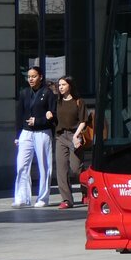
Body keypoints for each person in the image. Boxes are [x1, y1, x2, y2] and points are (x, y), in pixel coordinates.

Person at [13, 66, 55, 208]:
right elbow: (19, 115)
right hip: (26, 132)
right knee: (21, 165)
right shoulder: (24, 93)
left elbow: (53, 116)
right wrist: (18, 135)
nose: (30, 79)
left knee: (44, 165)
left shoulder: (48, 93)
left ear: (40, 77)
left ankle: (43, 198)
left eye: (34, 76)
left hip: (42, 132)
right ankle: (22, 198)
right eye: (29, 76)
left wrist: (38, 121)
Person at [52, 75, 89, 210]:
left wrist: (77, 136)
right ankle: (67, 200)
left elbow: (83, 121)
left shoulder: (79, 101)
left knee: (76, 168)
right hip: (61, 136)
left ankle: (86, 191)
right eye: (59, 85)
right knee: (61, 169)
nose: (61, 87)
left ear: (70, 86)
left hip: (75, 135)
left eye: (63, 85)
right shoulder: (57, 101)